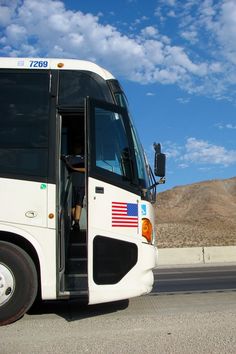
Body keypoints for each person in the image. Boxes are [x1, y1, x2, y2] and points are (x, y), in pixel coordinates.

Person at [64, 141, 85, 231]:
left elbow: (86, 169)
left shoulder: (84, 158)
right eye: (76, 147)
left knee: (79, 203)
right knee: (72, 205)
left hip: (81, 184)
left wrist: (73, 168)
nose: (78, 148)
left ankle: (76, 222)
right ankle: (76, 222)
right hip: (71, 184)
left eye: (79, 147)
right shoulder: (69, 158)